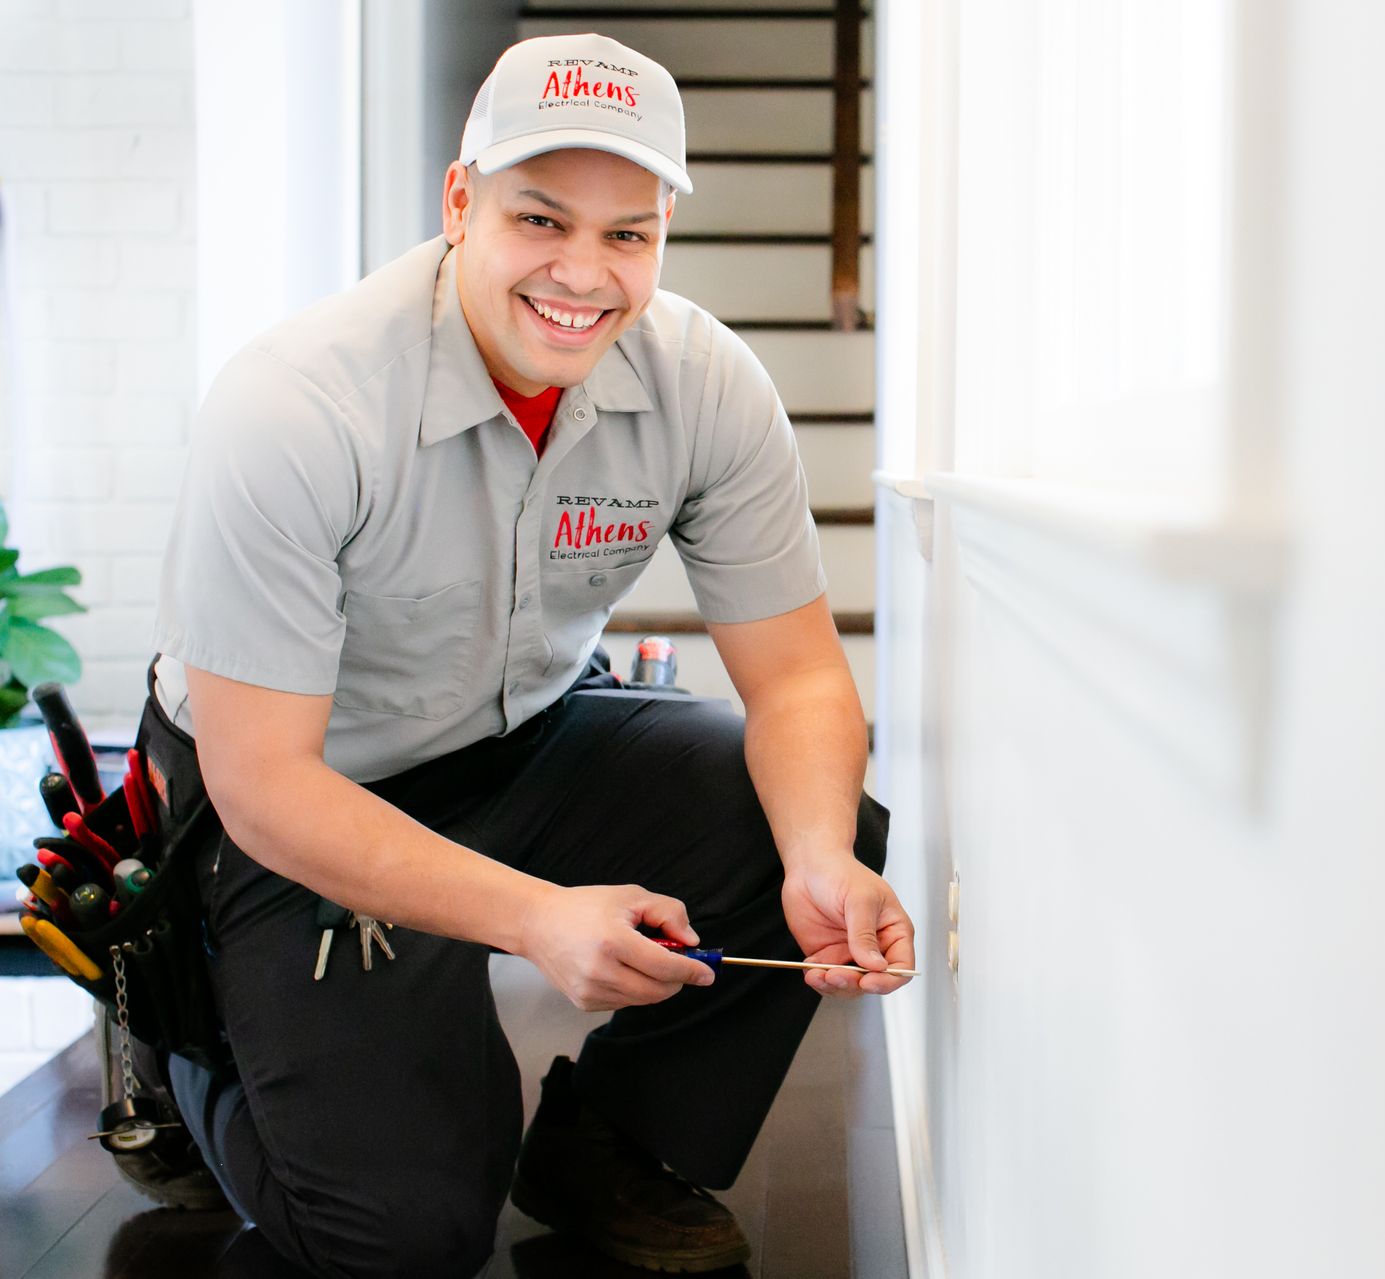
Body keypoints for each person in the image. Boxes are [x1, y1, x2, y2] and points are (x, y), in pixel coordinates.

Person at [136, 31, 914, 1278]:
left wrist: (818, 856)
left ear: (662, 232)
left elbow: (803, 680)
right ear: (460, 202)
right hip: (299, 793)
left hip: (522, 739)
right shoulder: (299, 405)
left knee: (804, 816)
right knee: (402, 1238)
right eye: (540, 218)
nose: (583, 274)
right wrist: (536, 918)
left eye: (628, 234)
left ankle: (607, 1147)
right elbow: (264, 781)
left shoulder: (706, 383)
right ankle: (185, 1041)